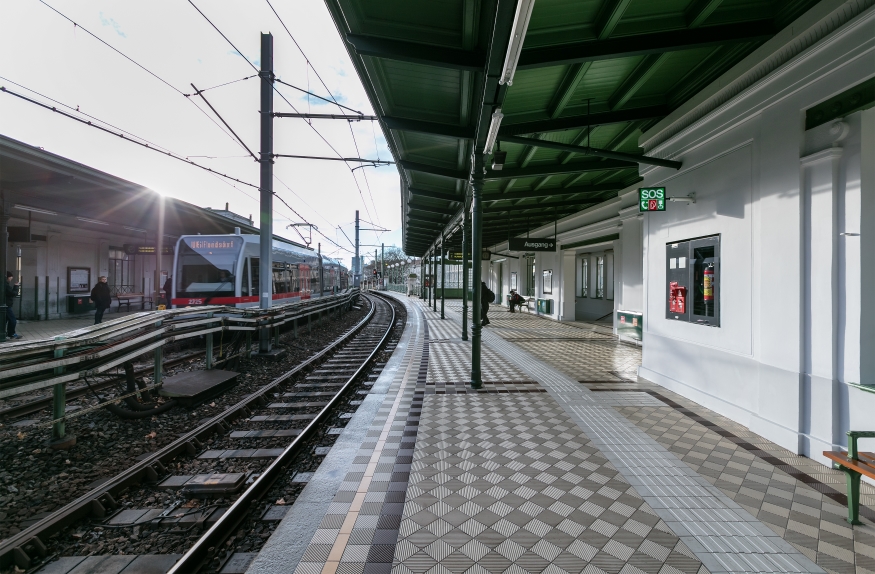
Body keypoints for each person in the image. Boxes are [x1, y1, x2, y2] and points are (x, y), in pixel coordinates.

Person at [5, 272, 21, 339]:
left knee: (4, 320)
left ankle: (5, 333)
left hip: (5, 305)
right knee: (12, 320)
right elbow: (13, 293)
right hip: (6, 306)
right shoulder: (5, 285)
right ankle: (11, 333)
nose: (11, 279)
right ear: (8, 277)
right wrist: (16, 286)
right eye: (10, 277)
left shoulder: (4, 284)